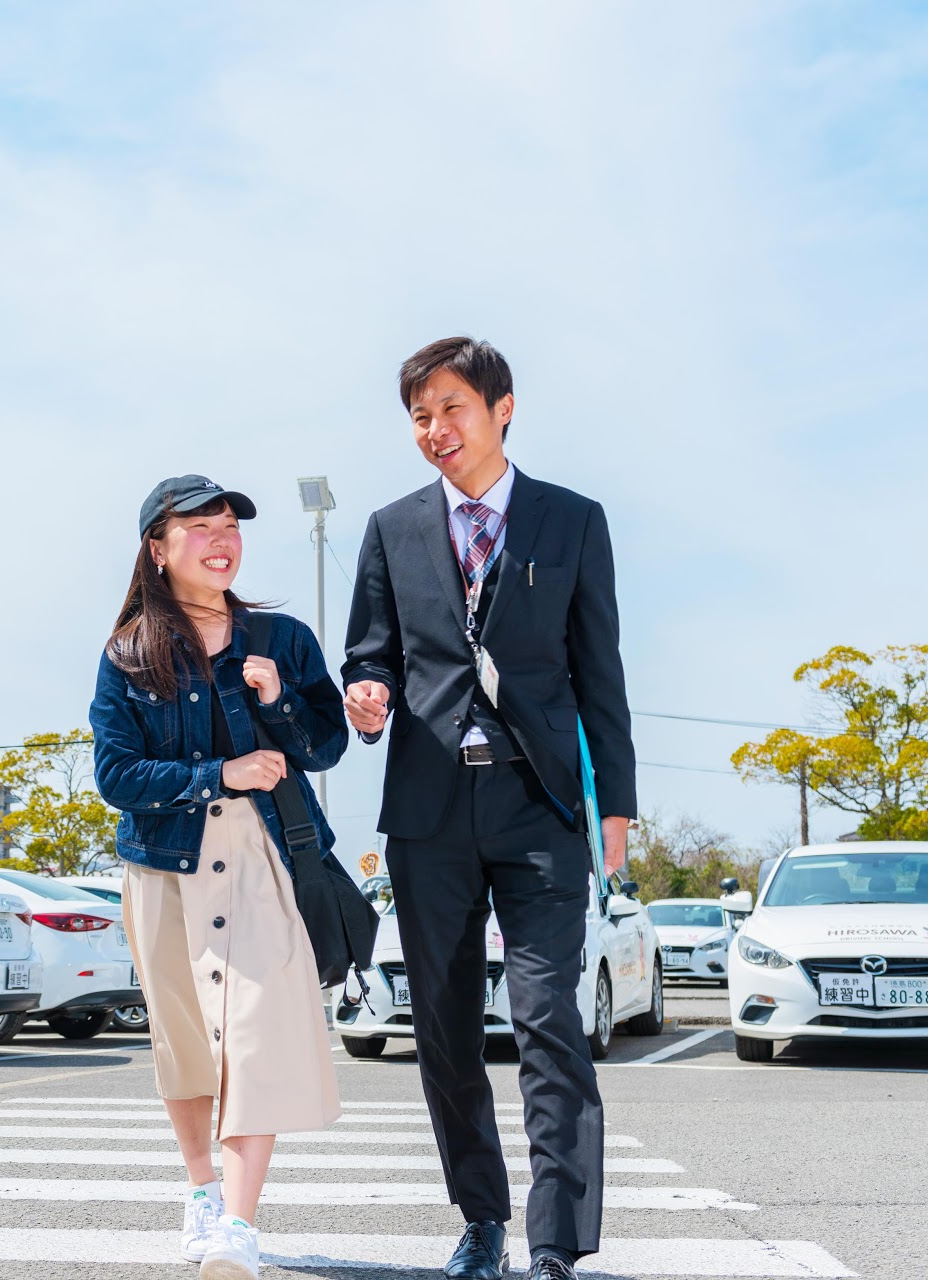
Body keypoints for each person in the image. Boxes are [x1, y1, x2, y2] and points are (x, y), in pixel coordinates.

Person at [341, 337, 636, 1280]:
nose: (435, 431)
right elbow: (370, 651)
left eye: (451, 409)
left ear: (503, 408)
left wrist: (615, 806)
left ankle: (556, 1243)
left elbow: (602, 672)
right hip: (428, 811)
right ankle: (482, 1220)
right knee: (443, 1028)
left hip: (540, 808)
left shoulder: (573, 521)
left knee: (549, 1017)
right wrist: (368, 693)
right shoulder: (391, 529)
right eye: (420, 416)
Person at [90, 474, 347, 1280]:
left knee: (257, 1037)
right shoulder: (128, 654)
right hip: (164, 863)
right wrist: (218, 772)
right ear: (158, 551)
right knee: (185, 1043)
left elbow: (327, 745)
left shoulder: (284, 638)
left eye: (229, 522)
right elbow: (115, 776)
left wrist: (279, 705)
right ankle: (202, 1190)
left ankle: (237, 1225)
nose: (220, 536)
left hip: (261, 856)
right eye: (198, 526)